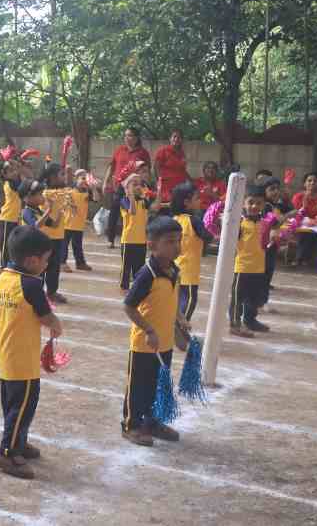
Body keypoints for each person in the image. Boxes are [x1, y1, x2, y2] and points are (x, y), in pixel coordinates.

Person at [0, 225, 63, 478]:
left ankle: (18, 441)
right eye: (45, 260)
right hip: (23, 357)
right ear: (32, 261)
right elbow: (45, 316)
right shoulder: (32, 284)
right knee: (22, 407)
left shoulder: (2, 276)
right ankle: (7, 453)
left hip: (7, 353)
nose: (46, 264)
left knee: (13, 404)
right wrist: (56, 325)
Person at [122, 216, 189, 446]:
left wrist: (180, 318)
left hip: (165, 342)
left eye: (179, 240)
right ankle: (131, 425)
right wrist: (149, 330)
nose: (177, 246)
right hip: (144, 344)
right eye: (170, 241)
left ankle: (152, 422)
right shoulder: (146, 274)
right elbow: (128, 306)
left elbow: (173, 298)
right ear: (152, 245)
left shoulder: (174, 270)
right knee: (138, 387)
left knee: (158, 385)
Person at [230, 185, 272, 337]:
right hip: (241, 268)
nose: (254, 206)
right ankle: (235, 324)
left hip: (258, 267)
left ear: (264, 205)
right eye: (251, 202)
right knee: (238, 298)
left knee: (254, 298)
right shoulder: (239, 223)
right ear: (243, 203)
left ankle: (250, 320)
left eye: (258, 203)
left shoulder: (264, 223)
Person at [170, 183, 213, 321]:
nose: (200, 201)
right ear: (187, 202)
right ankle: (182, 325)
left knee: (175, 300)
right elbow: (207, 237)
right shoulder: (194, 221)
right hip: (189, 269)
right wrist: (214, 227)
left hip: (174, 267)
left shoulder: (174, 219)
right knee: (190, 299)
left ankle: (174, 323)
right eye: (197, 198)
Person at [103, 127, 151, 248]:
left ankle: (135, 238)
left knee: (135, 212)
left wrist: (145, 184)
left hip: (135, 187)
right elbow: (112, 166)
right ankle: (110, 239)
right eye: (125, 135)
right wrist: (106, 181)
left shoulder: (143, 153)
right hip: (120, 186)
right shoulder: (120, 150)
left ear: (136, 138)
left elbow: (147, 170)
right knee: (114, 210)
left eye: (130, 135)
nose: (127, 138)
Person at [21, 179, 66, 304]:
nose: (42, 197)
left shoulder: (38, 211)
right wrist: (49, 210)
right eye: (39, 194)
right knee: (37, 273)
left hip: (42, 246)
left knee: (53, 268)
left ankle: (51, 292)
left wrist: (60, 211)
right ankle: (36, 294)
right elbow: (35, 226)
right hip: (33, 248)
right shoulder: (26, 211)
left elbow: (54, 225)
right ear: (28, 198)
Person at [119, 173, 158, 292]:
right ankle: (124, 287)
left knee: (139, 268)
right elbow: (133, 212)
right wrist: (131, 196)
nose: (138, 187)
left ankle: (136, 288)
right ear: (127, 188)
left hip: (141, 240)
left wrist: (159, 192)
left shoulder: (143, 201)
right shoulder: (125, 200)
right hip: (128, 240)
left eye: (139, 184)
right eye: (134, 184)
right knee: (126, 268)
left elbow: (155, 208)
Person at [261, 176, 294, 306]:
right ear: (264, 191)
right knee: (264, 267)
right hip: (264, 241)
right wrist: (287, 216)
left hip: (273, 241)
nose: (276, 192)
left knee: (270, 267)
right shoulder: (265, 205)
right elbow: (274, 222)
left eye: (277, 189)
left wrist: (288, 199)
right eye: (272, 189)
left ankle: (264, 291)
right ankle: (259, 293)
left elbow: (293, 210)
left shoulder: (277, 204)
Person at [291, 172, 317, 266]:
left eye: (315, 181)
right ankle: (301, 259)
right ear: (304, 184)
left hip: (316, 225)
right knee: (306, 234)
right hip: (299, 225)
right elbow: (295, 214)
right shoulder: (298, 197)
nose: (312, 183)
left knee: (313, 234)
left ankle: (301, 259)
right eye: (309, 180)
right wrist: (304, 206)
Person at [64, 169, 100, 271]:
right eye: (83, 178)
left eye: (87, 179)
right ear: (76, 179)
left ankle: (80, 263)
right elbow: (65, 200)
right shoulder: (70, 191)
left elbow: (96, 199)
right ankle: (62, 262)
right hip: (67, 224)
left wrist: (93, 188)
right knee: (64, 246)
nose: (85, 181)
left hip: (79, 225)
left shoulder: (87, 193)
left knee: (78, 246)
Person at [0, 159, 26, 268]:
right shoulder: (9, 183)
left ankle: (10, 266)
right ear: (5, 174)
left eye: (14, 170)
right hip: (7, 218)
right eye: (10, 171)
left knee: (13, 244)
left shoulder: (15, 181)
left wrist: (18, 166)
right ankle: (3, 267)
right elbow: (22, 186)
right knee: (5, 245)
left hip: (15, 218)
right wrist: (19, 168)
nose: (14, 172)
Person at [153, 130, 188, 203]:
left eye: (179, 137)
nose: (176, 139)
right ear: (170, 138)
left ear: (182, 140)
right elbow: (156, 167)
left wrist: (192, 182)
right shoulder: (163, 151)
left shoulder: (182, 153)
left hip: (179, 188)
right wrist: (159, 182)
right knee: (166, 207)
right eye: (174, 136)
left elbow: (183, 171)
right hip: (166, 188)